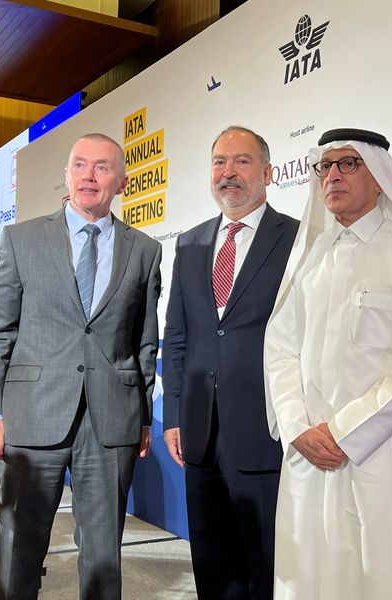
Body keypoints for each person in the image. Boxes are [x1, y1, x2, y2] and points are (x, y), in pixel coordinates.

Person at [264, 128, 392, 600]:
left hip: (380, 451)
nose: (332, 176)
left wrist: (343, 431)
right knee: (308, 575)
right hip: (308, 451)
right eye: (325, 166)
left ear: (380, 175)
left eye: (348, 164)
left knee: (383, 578)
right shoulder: (309, 257)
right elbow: (280, 347)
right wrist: (296, 425)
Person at [0, 133, 162, 600]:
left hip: (111, 421)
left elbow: (145, 342)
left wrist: (141, 415)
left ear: (121, 180)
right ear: (66, 174)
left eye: (102, 168)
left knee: (103, 557)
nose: (89, 176)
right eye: (80, 165)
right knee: (19, 548)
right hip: (30, 414)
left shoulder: (145, 250)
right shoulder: (20, 239)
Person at [162, 126, 298, 599]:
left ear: (268, 172)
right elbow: (178, 335)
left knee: (266, 564)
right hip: (199, 431)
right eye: (219, 162)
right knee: (212, 565)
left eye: (241, 162)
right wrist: (175, 413)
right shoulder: (191, 243)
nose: (228, 173)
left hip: (267, 429)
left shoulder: (298, 239)